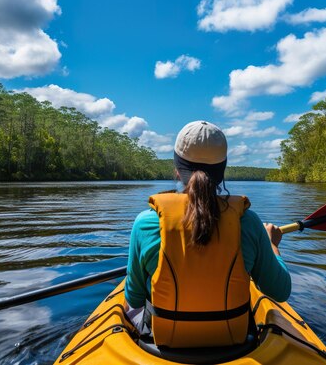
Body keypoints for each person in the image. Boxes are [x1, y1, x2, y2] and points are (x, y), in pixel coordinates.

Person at [125, 120, 291, 348]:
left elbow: (134, 298)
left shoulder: (145, 223)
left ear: (176, 169)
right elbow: (280, 291)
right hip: (233, 344)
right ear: (222, 172)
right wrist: (272, 245)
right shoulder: (249, 223)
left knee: (130, 307)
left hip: (163, 345)